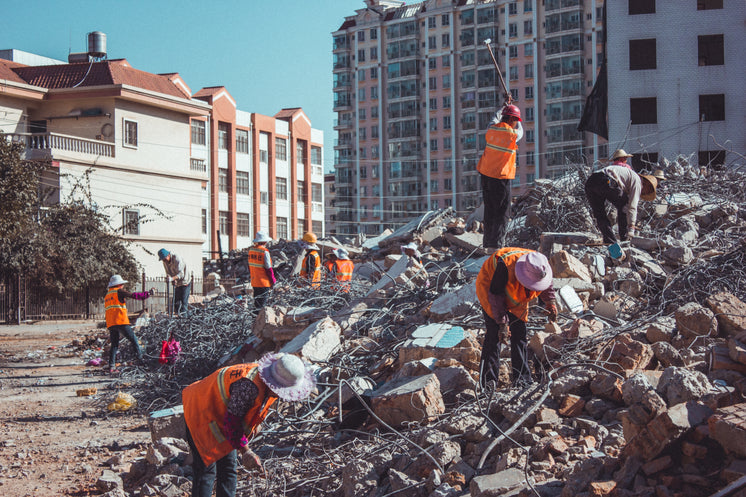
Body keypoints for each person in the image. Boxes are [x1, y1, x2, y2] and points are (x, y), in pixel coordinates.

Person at [182, 352, 315, 497]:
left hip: (220, 416)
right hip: (201, 413)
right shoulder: (248, 386)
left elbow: (242, 412)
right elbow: (231, 423)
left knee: (228, 468)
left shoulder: (265, 383)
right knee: (206, 470)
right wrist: (246, 451)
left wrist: (252, 425)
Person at [476, 248, 557, 387]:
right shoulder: (504, 266)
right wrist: (502, 324)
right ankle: (488, 383)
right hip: (490, 289)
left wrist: (550, 302)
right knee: (494, 335)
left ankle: (522, 379)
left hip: (517, 295)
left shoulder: (540, 264)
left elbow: (546, 282)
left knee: (519, 333)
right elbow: (496, 294)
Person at [476, 104, 523, 250]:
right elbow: (521, 130)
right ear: (513, 119)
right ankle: (496, 245)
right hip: (500, 177)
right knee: (502, 211)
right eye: (516, 120)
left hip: (485, 175)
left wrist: (505, 107)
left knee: (490, 209)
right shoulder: (513, 135)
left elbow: (494, 119)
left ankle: (488, 244)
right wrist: (511, 108)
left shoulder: (492, 130)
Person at [584, 163, 658, 244]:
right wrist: (631, 227)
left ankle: (610, 242)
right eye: (648, 191)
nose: (645, 193)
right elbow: (632, 206)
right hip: (605, 180)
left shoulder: (629, 177)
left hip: (591, 182)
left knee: (600, 215)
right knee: (624, 206)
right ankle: (624, 238)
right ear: (647, 184)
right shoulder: (638, 182)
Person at [104, 274, 154, 374]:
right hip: (121, 321)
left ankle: (112, 366)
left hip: (111, 323)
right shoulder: (119, 291)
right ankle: (140, 362)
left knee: (114, 344)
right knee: (134, 340)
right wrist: (148, 293)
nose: (122, 285)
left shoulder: (107, 295)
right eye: (122, 284)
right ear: (119, 284)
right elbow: (134, 295)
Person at [158, 248, 192, 317]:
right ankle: (179, 319)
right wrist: (170, 279)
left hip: (185, 282)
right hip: (178, 283)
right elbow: (168, 273)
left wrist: (172, 278)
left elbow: (181, 274)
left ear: (168, 255)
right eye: (163, 260)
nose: (164, 261)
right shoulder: (165, 262)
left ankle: (184, 320)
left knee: (183, 303)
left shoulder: (177, 258)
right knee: (176, 303)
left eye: (164, 259)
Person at [247, 232, 276, 309]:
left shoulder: (251, 251)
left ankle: (255, 319)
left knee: (256, 305)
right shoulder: (264, 251)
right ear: (265, 242)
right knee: (262, 306)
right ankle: (260, 320)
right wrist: (273, 280)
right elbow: (268, 268)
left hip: (254, 282)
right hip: (264, 283)